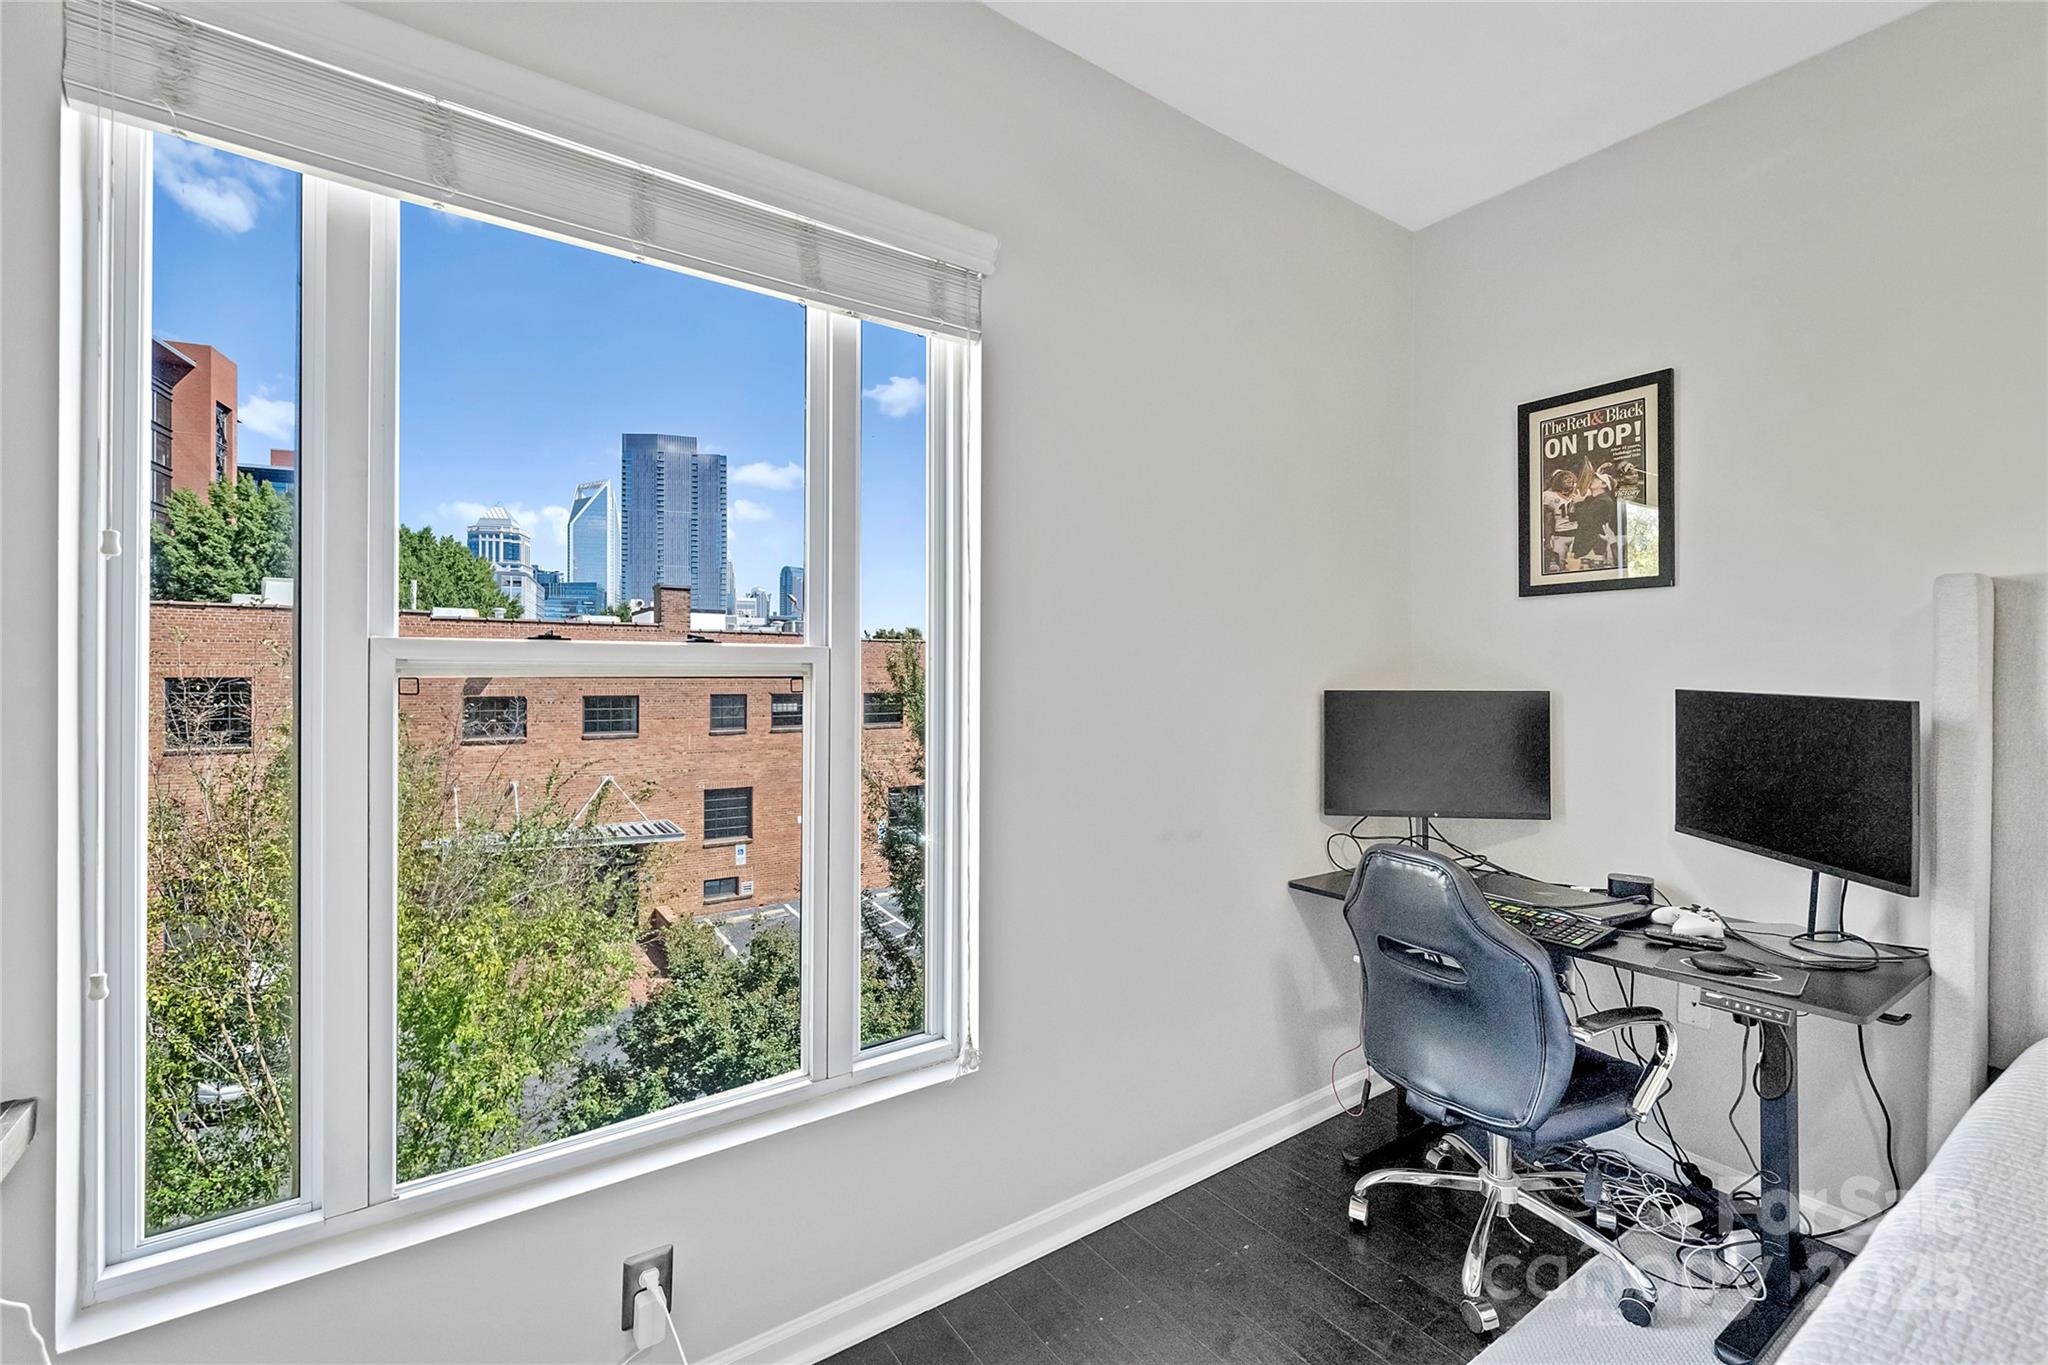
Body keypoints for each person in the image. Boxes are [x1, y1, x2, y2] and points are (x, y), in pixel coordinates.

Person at [1541, 470, 1578, 573]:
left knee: (1574, 567)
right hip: (1560, 536)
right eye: (1565, 478)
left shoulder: (1578, 493)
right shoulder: (1549, 496)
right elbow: (1548, 522)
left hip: (1576, 535)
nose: (1569, 480)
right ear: (1557, 481)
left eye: (1570, 477)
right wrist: (1547, 541)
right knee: (1559, 567)